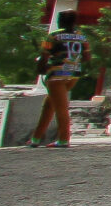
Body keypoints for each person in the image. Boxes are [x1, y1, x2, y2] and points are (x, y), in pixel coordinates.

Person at [35, 11, 88, 148]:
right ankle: (36, 138)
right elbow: (87, 57)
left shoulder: (53, 36)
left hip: (57, 75)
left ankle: (64, 139)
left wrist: (41, 68)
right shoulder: (81, 37)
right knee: (49, 105)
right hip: (73, 74)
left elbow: (44, 56)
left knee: (61, 108)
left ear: (60, 22)